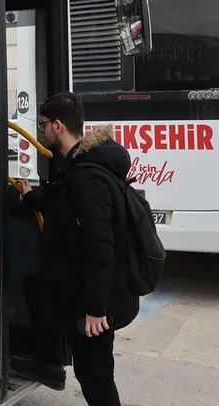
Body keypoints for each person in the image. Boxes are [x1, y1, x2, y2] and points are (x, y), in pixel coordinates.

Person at [10, 92, 138, 406]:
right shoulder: (79, 164)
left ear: (57, 127)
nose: (43, 133)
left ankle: (49, 363)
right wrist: (31, 197)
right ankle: (48, 363)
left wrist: (95, 309)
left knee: (94, 374)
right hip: (76, 285)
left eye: (43, 127)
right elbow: (61, 203)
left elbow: (100, 244)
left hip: (94, 298)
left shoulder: (85, 174)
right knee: (35, 286)